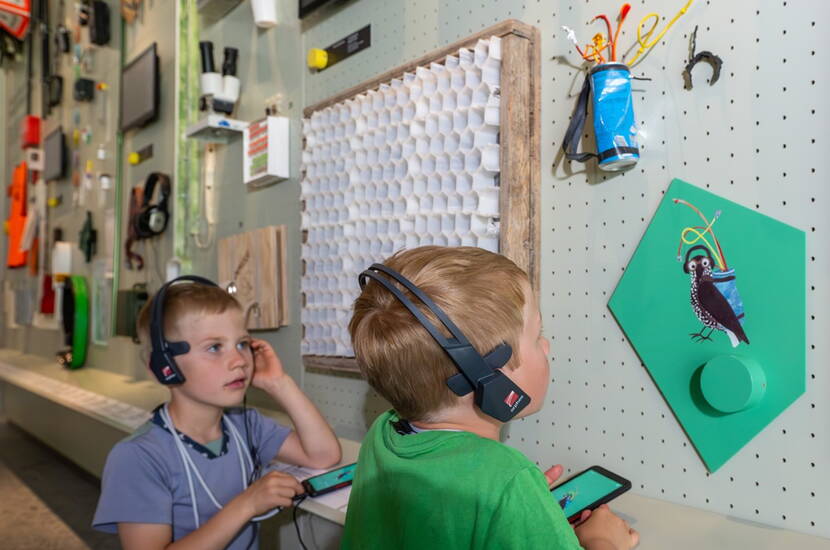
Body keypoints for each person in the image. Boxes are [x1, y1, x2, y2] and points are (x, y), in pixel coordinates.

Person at [342, 246, 639, 550]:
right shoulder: (508, 480)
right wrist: (605, 542)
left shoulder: (383, 434)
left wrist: (522, 510)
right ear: (485, 377)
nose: (546, 346)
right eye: (536, 337)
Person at [93, 276, 341, 549]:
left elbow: (323, 455)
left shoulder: (245, 425)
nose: (239, 361)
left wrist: (279, 383)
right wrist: (247, 504)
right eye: (214, 347)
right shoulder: (138, 457)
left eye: (242, 344)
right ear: (165, 366)